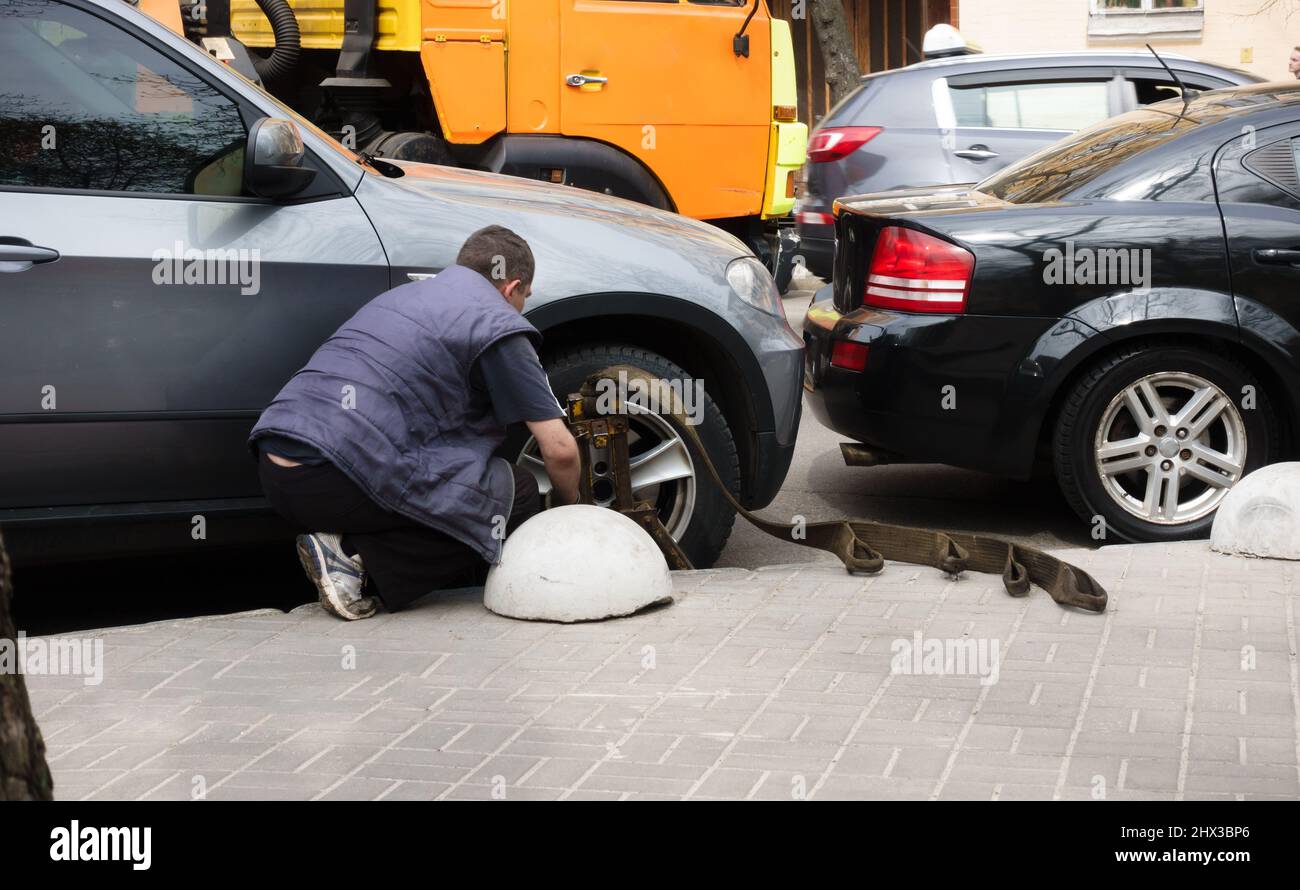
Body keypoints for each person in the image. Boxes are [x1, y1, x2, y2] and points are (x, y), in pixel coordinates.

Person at [249, 225, 581, 620]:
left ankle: (342, 544)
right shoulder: (497, 324)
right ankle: (354, 562)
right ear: (512, 288)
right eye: (525, 296)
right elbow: (559, 451)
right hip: (332, 478)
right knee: (518, 492)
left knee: (437, 474)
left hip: (276, 464)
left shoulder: (401, 297)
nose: (522, 306)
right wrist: (569, 511)